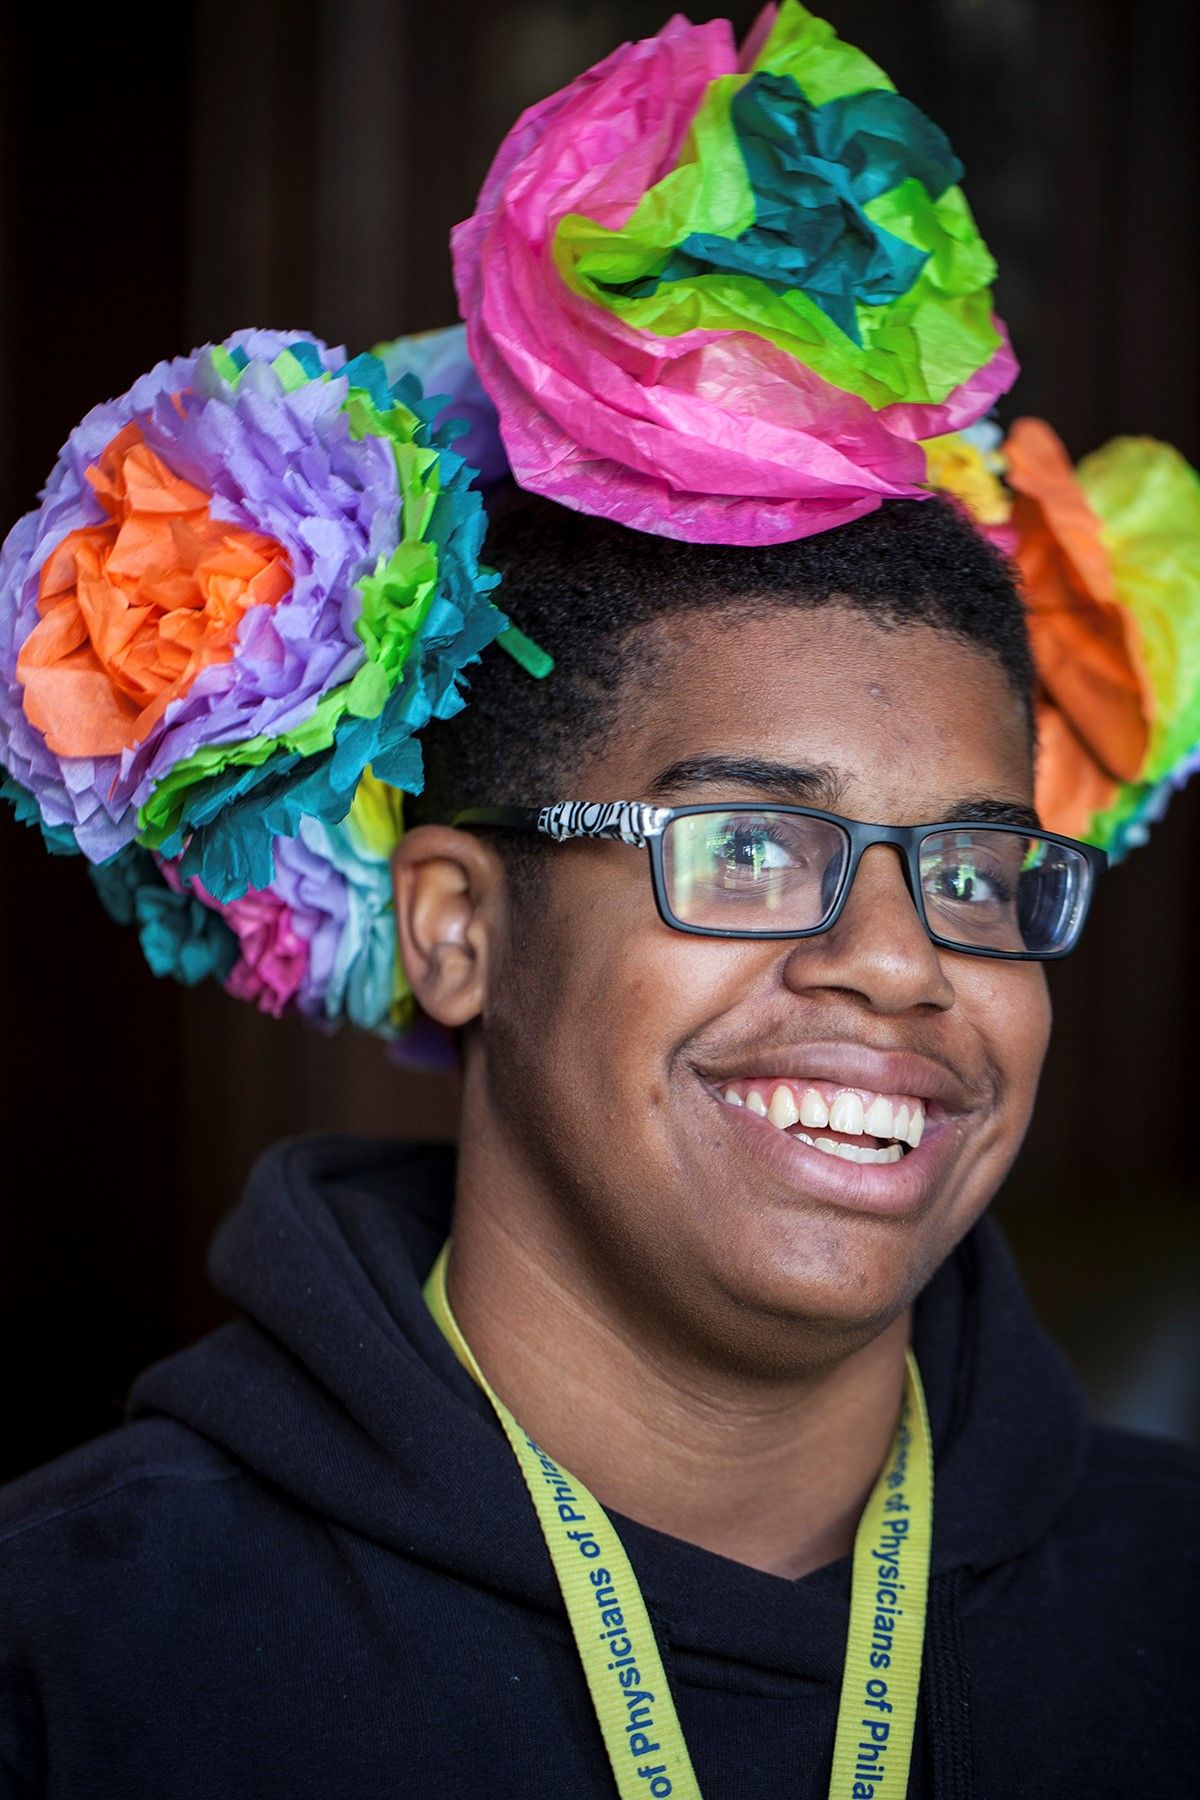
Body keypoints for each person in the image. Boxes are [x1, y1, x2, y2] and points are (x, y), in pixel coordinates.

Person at [1, 7, 1198, 1798]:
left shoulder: (1173, 1604)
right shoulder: (78, 1654)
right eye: (747, 849)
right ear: (458, 928)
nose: (901, 962)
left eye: (971, 872)